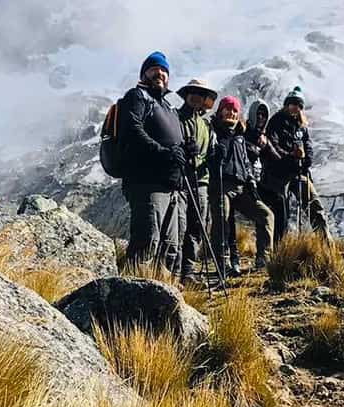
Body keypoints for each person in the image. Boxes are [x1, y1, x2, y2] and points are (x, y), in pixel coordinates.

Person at [117, 52, 194, 274]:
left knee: (171, 247)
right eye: (153, 69)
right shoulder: (137, 97)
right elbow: (132, 130)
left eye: (164, 70)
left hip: (174, 188)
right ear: (144, 74)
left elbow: (174, 146)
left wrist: (186, 151)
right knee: (147, 241)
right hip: (147, 183)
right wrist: (164, 152)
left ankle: (163, 299)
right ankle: (131, 299)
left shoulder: (169, 107)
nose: (159, 73)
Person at [211, 96, 273, 273]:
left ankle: (263, 261)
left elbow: (245, 161)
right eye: (227, 109)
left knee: (266, 215)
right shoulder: (213, 131)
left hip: (242, 187)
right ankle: (222, 264)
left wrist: (251, 181)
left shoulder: (239, 136)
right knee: (222, 223)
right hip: (221, 185)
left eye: (235, 110)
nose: (231, 113)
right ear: (220, 111)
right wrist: (216, 157)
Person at [257, 86, 321, 241]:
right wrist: (292, 157)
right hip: (279, 175)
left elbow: (308, 147)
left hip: (299, 173)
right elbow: (273, 146)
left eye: (299, 105)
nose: (295, 107)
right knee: (282, 214)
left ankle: (327, 247)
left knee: (315, 207)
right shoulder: (276, 121)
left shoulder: (301, 127)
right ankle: (280, 251)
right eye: (292, 104)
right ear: (286, 104)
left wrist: (305, 161)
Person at [174, 78, 218, 282]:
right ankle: (174, 271)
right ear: (186, 95)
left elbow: (209, 155)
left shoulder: (205, 125)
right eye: (192, 92)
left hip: (200, 182)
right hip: (180, 181)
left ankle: (188, 271)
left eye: (200, 94)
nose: (196, 97)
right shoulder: (174, 118)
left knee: (196, 226)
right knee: (179, 226)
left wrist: (215, 156)